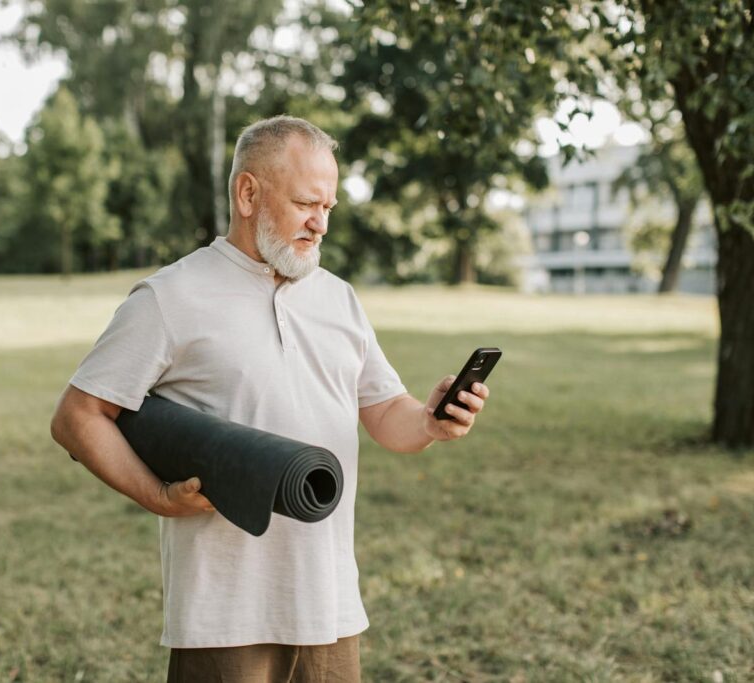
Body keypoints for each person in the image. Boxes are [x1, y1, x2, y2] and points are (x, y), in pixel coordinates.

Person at [50, 115, 490, 682]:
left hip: (330, 606)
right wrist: (157, 495)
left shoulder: (339, 299)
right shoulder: (170, 296)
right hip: (224, 612)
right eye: (307, 203)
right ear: (248, 193)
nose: (320, 224)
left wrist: (431, 421)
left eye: (329, 208)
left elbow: (384, 414)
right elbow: (77, 416)